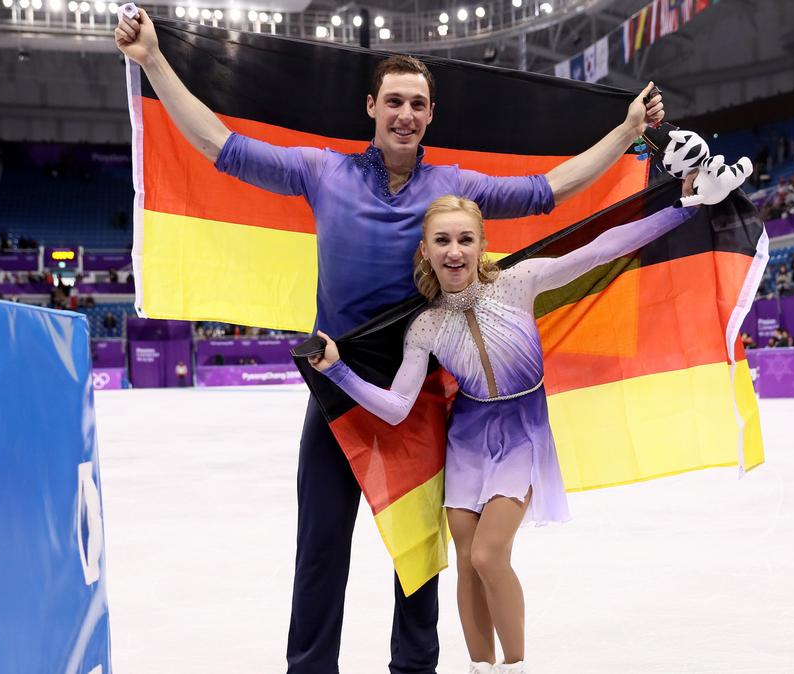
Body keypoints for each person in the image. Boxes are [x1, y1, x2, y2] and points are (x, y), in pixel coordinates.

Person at [114, 8, 668, 673]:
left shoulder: (454, 188)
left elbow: (549, 190)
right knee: (320, 545)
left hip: (421, 382)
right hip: (337, 382)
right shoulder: (321, 173)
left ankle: (414, 667)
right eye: (394, 101)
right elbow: (221, 147)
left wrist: (627, 132)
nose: (405, 114)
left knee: (418, 550)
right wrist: (151, 61)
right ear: (371, 107)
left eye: (418, 104)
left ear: (429, 116)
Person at [308, 163, 746, 674]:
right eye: (443, 241)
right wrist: (337, 372)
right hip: (467, 440)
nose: (455, 251)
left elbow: (600, 250)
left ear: (481, 244)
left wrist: (683, 208)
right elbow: (397, 406)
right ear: (425, 250)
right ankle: (480, 667)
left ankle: (514, 667)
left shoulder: (520, 282)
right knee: (467, 560)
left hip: (522, 432)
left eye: (465, 239)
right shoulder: (424, 327)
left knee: (489, 555)